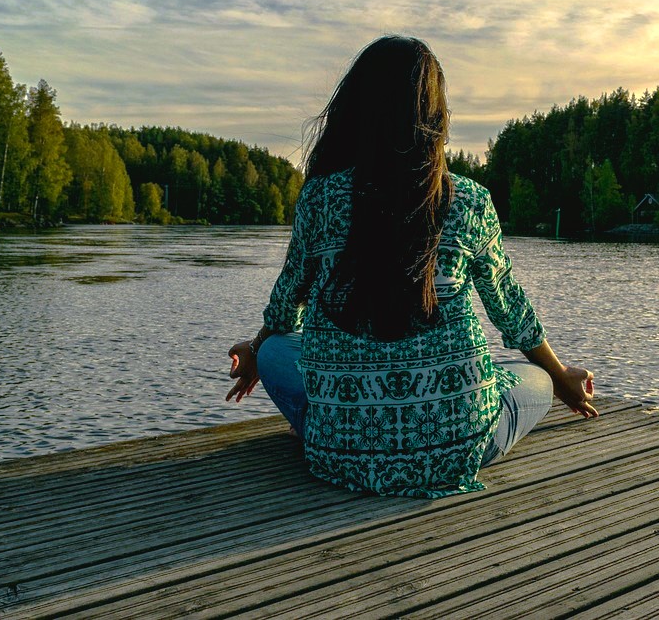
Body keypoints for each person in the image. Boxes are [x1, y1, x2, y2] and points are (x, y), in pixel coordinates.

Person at [226, 36, 598, 498]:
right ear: (436, 116)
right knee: (536, 378)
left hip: (340, 453)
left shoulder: (320, 197)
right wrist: (561, 378)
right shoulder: (469, 200)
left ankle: (339, 427)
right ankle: (401, 423)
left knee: (278, 350)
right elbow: (510, 311)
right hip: (456, 447)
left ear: (356, 108)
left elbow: (287, 305)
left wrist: (259, 347)